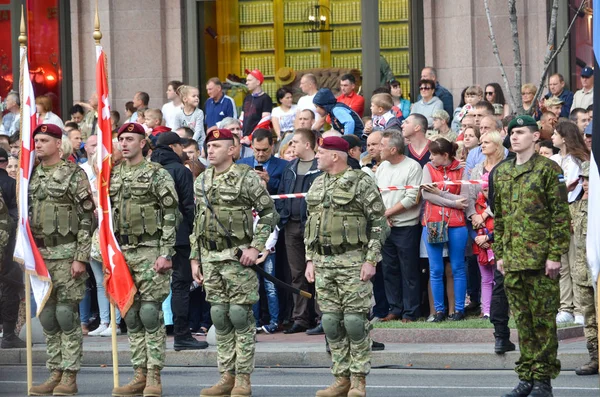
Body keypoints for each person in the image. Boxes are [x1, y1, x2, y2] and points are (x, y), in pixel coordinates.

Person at [189, 128, 278, 397]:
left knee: (240, 317)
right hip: (210, 258)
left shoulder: (246, 178)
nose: (211, 149)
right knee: (220, 317)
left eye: (217, 145)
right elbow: (198, 222)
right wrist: (195, 258)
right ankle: (225, 376)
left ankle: (243, 379)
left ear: (232, 150)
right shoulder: (201, 180)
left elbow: (269, 214)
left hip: (237, 258)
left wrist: (256, 247)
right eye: (209, 145)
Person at [304, 136, 388, 397]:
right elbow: (311, 224)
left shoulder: (361, 182)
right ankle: (340, 378)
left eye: (321, 152)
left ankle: (358, 380)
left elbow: (378, 223)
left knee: (354, 322)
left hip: (353, 260)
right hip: (323, 263)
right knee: (330, 322)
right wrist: (310, 259)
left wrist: (371, 259)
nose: (317, 156)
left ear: (336, 156)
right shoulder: (317, 183)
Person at [493, 115, 571, 397]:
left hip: (540, 260)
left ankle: (543, 380)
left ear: (535, 137)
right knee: (523, 322)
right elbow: (499, 218)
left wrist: (554, 255)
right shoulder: (502, 172)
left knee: (543, 323)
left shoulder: (548, 170)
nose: (514, 137)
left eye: (521, 132)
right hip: (513, 260)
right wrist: (499, 253)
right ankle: (526, 376)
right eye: (512, 132)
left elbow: (561, 216)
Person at [109, 123, 180, 397]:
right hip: (122, 254)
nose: (124, 144)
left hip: (150, 249)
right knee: (131, 315)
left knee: (150, 314)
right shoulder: (112, 176)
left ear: (143, 143)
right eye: (121, 139)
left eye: (130, 139)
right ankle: (138, 373)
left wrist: (166, 252)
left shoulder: (156, 174)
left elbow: (171, 215)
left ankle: (154, 376)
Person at [27, 124, 95, 396]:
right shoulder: (29, 175)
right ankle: (54, 371)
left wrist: (81, 257)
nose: (38, 145)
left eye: (44, 140)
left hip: (66, 254)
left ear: (58, 144)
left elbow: (87, 217)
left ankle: (70, 375)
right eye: (36, 140)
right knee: (46, 316)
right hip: (39, 256)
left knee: (66, 316)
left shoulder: (73, 174)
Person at [151, 132, 208, 351]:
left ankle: (152, 337)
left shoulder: (149, 169)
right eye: (181, 146)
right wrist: (195, 232)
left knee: (152, 289)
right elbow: (188, 205)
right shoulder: (179, 171)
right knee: (181, 285)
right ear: (174, 146)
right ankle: (182, 335)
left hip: (152, 237)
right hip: (179, 236)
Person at [276, 129, 322, 334]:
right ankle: (301, 318)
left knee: (319, 273)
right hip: (292, 225)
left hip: (314, 226)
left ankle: (323, 317)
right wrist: (283, 215)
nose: (291, 146)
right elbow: (281, 195)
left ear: (307, 144)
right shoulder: (290, 168)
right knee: (297, 274)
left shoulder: (319, 168)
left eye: (295, 142)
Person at [376, 130, 423, 322]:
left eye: (382, 145)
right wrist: (382, 214)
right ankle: (395, 308)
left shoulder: (413, 167)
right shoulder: (382, 167)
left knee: (409, 270)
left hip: (406, 226)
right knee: (389, 269)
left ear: (393, 149)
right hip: (386, 226)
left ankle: (411, 312)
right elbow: (376, 193)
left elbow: (412, 198)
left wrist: (387, 213)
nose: (378, 149)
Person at [420, 138, 469, 322]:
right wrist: (451, 201)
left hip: (457, 223)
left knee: (457, 267)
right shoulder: (428, 168)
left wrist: (439, 193)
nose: (430, 157)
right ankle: (439, 311)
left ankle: (458, 310)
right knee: (436, 268)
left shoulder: (462, 169)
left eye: (433, 154)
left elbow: (464, 200)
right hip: (433, 221)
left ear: (445, 155)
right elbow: (426, 194)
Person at [550, 121, 590, 325]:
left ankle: (580, 308)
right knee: (562, 263)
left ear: (564, 137)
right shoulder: (552, 159)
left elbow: (578, 190)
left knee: (576, 263)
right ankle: (565, 306)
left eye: (555, 134)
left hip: (573, 212)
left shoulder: (578, 160)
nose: (552, 137)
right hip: (556, 215)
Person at [466, 132, 506, 319]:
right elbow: (469, 195)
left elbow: (503, 198)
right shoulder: (476, 169)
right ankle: (486, 310)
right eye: (481, 142)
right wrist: (474, 216)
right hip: (478, 226)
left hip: (497, 223)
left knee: (501, 272)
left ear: (497, 145)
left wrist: (485, 214)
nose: (481, 145)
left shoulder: (505, 167)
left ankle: (504, 309)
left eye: (486, 142)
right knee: (485, 274)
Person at [570, 161, 598, 376]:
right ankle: (595, 358)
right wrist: (565, 189)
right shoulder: (577, 205)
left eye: (589, 179)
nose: (586, 183)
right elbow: (552, 208)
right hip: (582, 271)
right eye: (583, 179)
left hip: (597, 272)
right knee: (588, 318)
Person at [0, 147, 21, 349]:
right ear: (5, 163)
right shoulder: (12, 185)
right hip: (9, 245)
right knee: (10, 287)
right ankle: (8, 334)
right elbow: (18, 217)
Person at [236, 128, 288, 195]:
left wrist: (269, 180)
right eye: (257, 150)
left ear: (272, 145)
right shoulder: (240, 164)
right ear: (251, 145)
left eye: (265, 150)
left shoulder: (284, 165)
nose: (260, 154)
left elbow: (286, 189)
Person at [240, 69, 273, 141]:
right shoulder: (247, 98)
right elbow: (242, 117)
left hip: (257, 139)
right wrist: (240, 134)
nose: (246, 83)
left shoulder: (266, 98)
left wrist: (250, 137)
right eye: (246, 80)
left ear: (258, 82)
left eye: (249, 80)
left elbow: (265, 121)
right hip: (244, 138)